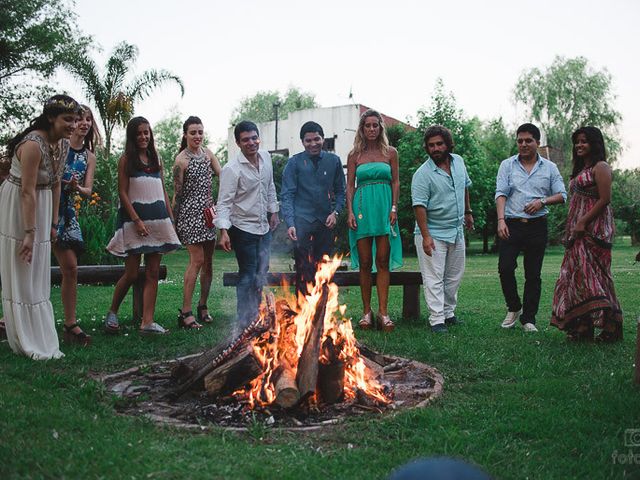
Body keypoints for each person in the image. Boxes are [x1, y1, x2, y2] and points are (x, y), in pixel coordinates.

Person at [0, 94, 80, 359]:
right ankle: (25, 339)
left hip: (44, 204)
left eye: (75, 119)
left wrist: (53, 223)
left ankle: (40, 334)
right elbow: (26, 191)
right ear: (51, 118)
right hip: (21, 206)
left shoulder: (64, 144)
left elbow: (56, 183)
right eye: (67, 119)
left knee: (38, 273)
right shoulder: (33, 145)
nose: (72, 124)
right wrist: (29, 232)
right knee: (23, 270)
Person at [104, 117, 181, 335]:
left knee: (153, 272)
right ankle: (112, 312)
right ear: (132, 136)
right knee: (130, 273)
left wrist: (169, 218)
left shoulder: (156, 158)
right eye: (138, 133)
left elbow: (163, 190)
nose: (143, 137)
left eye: (146, 132)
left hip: (158, 220)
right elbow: (123, 192)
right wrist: (136, 220)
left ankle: (147, 322)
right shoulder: (126, 160)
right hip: (135, 221)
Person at [551, 127, 623, 341]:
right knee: (575, 276)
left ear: (595, 144)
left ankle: (612, 327)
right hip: (577, 231)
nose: (579, 145)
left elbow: (604, 199)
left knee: (595, 278)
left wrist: (583, 221)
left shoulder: (601, 167)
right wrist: (573, 225)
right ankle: (583, 326)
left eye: (584, 141)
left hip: (594, 231)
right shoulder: (582, 168)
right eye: (577, 142)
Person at [495, 123, 567, 332]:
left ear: (537, 142)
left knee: (533, 274)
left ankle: (529, 319)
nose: (523, 144)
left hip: (537, 226)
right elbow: (501, 193)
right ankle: (514, 307)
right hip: (511, 224)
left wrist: (542, 202)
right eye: (520, 141)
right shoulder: (507, 165)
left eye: (528, 140)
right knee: (505, 267)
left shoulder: (549, 168)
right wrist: (501, 220)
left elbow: (562, 195)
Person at [216, 121, 279, 328]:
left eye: (254, 138)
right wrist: (224, 231)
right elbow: (224, 203)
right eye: (246, 140)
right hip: (242, 228)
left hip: (263, 227)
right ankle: (244, 320)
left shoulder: (266, 157)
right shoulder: (231, 169)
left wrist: (274, 211)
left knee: (262, 272)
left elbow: (269, 187)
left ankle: (257, 312)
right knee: (248, 273)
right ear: (238, 142)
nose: (251, 143)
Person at [412, 125, 473, 333]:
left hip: (456, 229)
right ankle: (437, 320)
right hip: (432, 232)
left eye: (439, 144)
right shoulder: (423, 174)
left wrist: (468, 212)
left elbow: (464, 186)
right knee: (434, 278)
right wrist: (426, 236)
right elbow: (419, 206)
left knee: (454, 276)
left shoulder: (459, 162)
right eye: (431, 146)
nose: (435, 148)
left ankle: (449, 313)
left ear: (447, 144)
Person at [346, 109, 402, 332]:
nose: (371, 129)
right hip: (361, 209)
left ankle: (384, 313)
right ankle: (366, 312)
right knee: (366, 261)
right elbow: (350, 185)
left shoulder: (391, 152)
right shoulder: (354, 155)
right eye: (367, 126)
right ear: (362, 129)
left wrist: (394, 208)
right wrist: (349, 212)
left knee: (382, 260)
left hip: (385, 209)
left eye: (375, 125)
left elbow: (396, 182)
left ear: (380, 128)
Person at [280, 121, 346, 298]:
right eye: (308, 140)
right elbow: (287, 195)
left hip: (325, 224)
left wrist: (336, 212)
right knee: (304, 270)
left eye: (316, 139)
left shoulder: (334, 161)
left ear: (323, 139)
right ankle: (302, 316)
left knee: (323, 269)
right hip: (301, 224)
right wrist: (290, 223)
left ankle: (321, 313)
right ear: (302, 142)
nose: (313, 144)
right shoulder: (294, 163)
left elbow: (341, 192)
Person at [53, 105, 100, 346]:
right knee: (34, 265)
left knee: (71, 268)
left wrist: (76, 187)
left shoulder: (88, 156)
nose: (84, 123)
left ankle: (70, 323)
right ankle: (11, 319)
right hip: (48, 206)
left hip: (68, 212)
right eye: (80, 119)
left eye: (88, 119)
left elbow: (88, 189)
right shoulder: (58, 145)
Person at [172, 116, 222, 329]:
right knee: (197, 260)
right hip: (189, 214)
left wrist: (220, 204)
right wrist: (174, 222)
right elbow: (177, 194)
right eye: (193, 132)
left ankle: (203, 306)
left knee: (209, 262)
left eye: (200, 132)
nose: (197, 136)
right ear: (185, 134)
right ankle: (185, 312)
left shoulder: (209, 154)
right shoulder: (181, 161)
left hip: (209, 214)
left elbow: (223, 177)